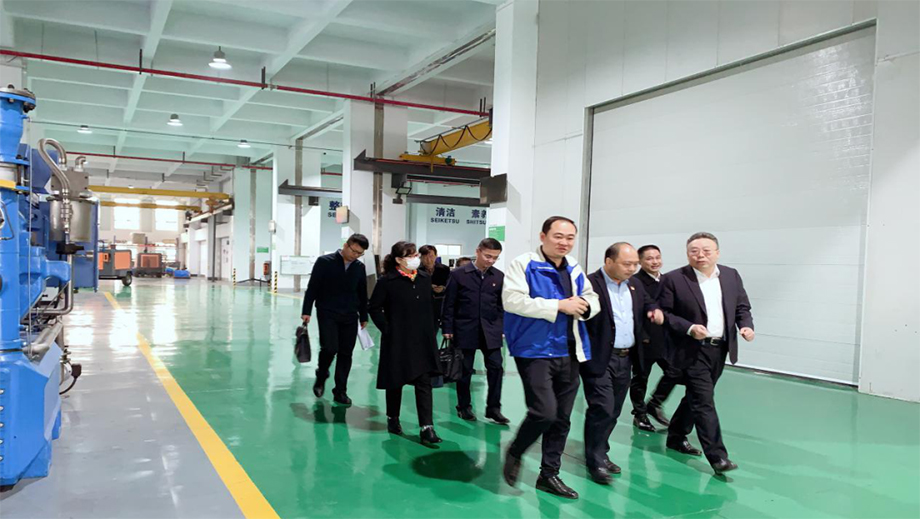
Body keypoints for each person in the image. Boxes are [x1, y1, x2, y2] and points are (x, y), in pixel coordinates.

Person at [501, 216, 600, 499]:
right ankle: (516, 450)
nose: (564, 242)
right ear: (543, 236)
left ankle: (549, 474)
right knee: (544, 411)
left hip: (569, 349)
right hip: (534, 350)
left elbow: (592, 297)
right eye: (558, 236)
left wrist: (585, 307)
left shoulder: (574, 267)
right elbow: (512, 300)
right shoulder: (524, 264)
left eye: (570, 237)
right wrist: (558, 305)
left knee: (562, 418)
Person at [659, 232, 754, 475]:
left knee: (697, 396)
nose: (700, 255)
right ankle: (718, 457)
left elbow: (742, 306)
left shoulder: (731, 276)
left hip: (719, 348)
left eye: (706, 251)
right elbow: (665, 314)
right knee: (704, 401)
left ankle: (676, 435)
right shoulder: (674, 279)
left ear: (717, 253)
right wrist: (689, 328)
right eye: (694, 251)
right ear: (687, 253)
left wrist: (745, 325)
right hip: (692, 350)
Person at [581, 243, 664, 484]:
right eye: (627, 264)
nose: (632, 269)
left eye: (635, 264)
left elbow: (647, 302)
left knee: (615, 410)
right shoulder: (589, 284)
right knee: (602, 408)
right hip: (599, 358)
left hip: (626, 358)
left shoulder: (635, 284)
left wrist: (654, 310)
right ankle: (595, 460)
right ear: (608, 261)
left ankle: (601, 451)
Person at [368, 241, 443, 445]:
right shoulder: (387, 281)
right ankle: (393, 417)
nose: (415, 258)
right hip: (398, 340)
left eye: (415, 254)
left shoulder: (424, 278)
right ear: (399, 260)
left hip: (422, 339)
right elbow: (374, 307)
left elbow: (430, 306)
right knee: (396, 379)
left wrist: (433, 329)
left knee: (424, 381)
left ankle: (427, 427)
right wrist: (388, 329)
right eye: (410, 256)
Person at [441, 238, 508, 424]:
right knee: (464, 370)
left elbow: (501, 305)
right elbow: (449, 304)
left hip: (490, 330)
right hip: (465, 329)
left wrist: (501, 326)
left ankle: (494, 409)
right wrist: (447, 328)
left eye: (495, 258)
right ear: (478, 251)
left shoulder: (498, 276)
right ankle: (464, 406)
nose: (491, 261)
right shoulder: (458, 275)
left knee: (496, 368)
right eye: (488, 256)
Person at [302, 234, 369, 405]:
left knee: (346, 353)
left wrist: (364, 315)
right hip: (327, 312)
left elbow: (362, 292)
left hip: (350, 314)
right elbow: (313, 287)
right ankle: (322, 374)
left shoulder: (359, 267)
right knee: (330, 348)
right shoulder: (324, 262)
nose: (355, 255)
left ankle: (340, 391)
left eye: (359, 253)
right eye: (354, 251)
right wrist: (306, 310)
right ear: (346, 245)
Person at [630, 244, 681, 432]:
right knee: (641, 378)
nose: (655, 261)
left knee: (676, 372)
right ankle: (639, 414)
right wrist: (641, 336)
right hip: (645, 339)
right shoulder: (635, 282)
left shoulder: (668, 280)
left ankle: (654, 403)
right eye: (649, 258)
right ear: (640, 261)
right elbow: (634, 312)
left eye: (657, 257)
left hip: (666, 339)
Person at [420, 245, 451, 331]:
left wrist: (443, 288)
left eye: (431, 256)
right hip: (422, 304)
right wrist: (428, 287)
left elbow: (450, 285)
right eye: (425, 257)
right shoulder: (416, 270)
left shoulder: (444, 269)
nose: (428, 260)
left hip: (439, 304)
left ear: (436, 256)